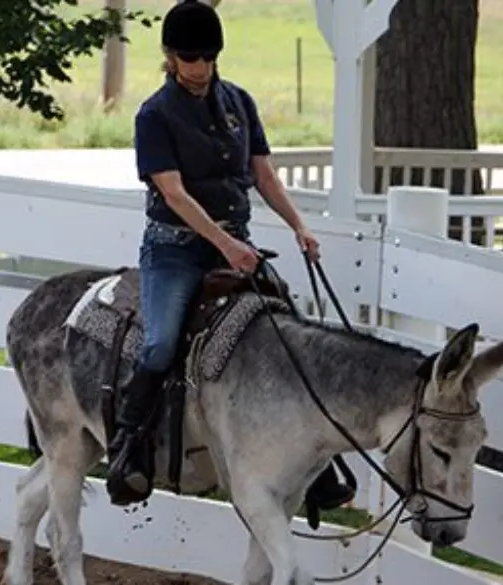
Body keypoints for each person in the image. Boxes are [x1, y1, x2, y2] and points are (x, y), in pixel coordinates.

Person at [104, 0, 355, 514]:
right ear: (171, 57)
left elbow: (263, 175)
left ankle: (317, 463)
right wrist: (226, 245)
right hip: (176, 251)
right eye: (188, 56)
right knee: (159, 344)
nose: (198, 66)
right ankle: (127, 447)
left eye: (207, 56)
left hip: (235, 245)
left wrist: (299, 225)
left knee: (290, 333)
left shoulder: (239, 103)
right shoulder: (154, 115)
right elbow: (173, 194)